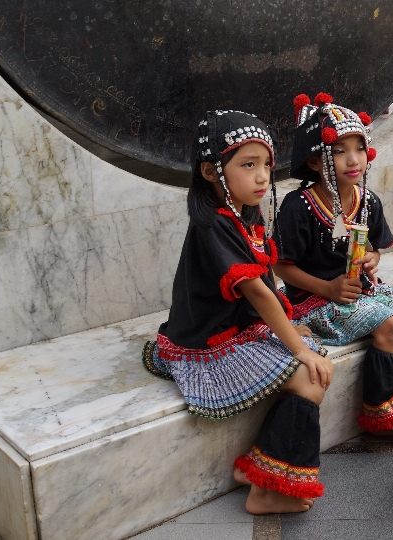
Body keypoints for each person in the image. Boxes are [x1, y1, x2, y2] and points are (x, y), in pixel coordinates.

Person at [142, 110, 333, 514]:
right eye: (248, 165)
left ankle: (260, 474)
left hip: (238, 327)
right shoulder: (212, 225)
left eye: (266, 164)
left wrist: (295, 336)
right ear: (211, 172)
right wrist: (297, 347)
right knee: (309, 377)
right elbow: (258, 293)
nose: (264, 176)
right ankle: (265, 490)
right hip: (207, 342)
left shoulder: (243, 212)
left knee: (316, 368)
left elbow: (266, 286)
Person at [275, 93, 393, 435]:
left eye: (359, 148)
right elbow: (281, 268)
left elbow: (376, 250)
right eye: (339, 150)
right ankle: (381, 411)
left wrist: (371, 259)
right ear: (316, 161)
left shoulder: (367, 201)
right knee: (390, 324)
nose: (353, 159)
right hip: (313, 301)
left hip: (360, 291)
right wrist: (328, 287)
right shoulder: (298, 206)